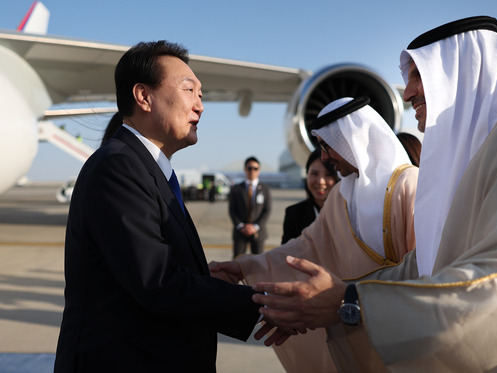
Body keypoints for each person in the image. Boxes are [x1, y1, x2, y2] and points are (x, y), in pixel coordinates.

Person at [251, 16, 497, 372]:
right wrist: (326, 298)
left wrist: (352, 302)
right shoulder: (474, 156)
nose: (407, 93)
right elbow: (425, 266)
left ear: (460, 72)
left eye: (418, 75)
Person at [53, 40, 289, 373]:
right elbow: (157, 281)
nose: (200, 106)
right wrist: (265, 306)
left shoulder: (146, 169)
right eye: (189, 90)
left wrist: (202, 277)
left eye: (201, 95)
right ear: (143, 96)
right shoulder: (118, 167)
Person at [211, 96, 418, 372]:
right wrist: (244, 265)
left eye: (327, 145)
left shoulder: (409, 185)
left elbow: (423, 272)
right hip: (352, 330)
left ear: (352, 138)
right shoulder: (342, 195)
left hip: (402, 335)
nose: (325, 157)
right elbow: (305, 246)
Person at [281, 148, 339, 244]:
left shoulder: (348, 214)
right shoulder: (293, 214)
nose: (320, 181)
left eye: (328, 174)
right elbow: (284, 253)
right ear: (307, 175)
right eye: (314, 174)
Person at [228, 156, 272, 257]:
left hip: (258, 232)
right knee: (237, 262)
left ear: (259, 170)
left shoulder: (265, 189)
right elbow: (232, 210)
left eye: (255, 168)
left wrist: (255, 227)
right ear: (245, 169)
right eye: (249, 168)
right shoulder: (236, 189)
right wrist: (241, 226)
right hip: (240, 232)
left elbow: (267, 210)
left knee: (258, 264)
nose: (252, 171)